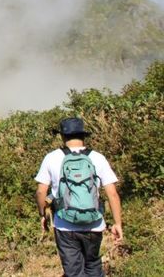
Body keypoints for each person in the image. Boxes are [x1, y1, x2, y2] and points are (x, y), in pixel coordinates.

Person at [35, 118, 123, 277]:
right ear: (83, 136)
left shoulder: (51, 158)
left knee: (74, 272)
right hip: (94, 224)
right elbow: (113, 194)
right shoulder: (98, 157)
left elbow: (41, 192)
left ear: (62, 136)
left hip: (65, 226)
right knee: (93, 265)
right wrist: (117, 223)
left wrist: (43, 214)